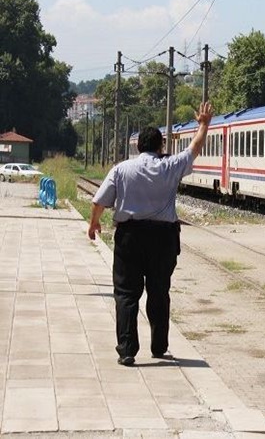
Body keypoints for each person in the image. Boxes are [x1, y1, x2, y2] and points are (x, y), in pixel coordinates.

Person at [88, 102, 213, 366]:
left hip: (129, 237)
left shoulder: (121, 169)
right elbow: (194, 149)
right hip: (163, 239)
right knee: (159, 291)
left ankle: (127, 349)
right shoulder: (170, 166)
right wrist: (203, 123)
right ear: (161, 147)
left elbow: (99, 201)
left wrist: (94, 224)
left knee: (125, 293)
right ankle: (159, 346)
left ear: (137, 147)